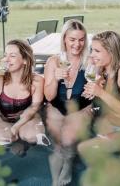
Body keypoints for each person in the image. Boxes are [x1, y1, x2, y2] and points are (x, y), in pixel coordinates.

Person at [44, 19, 92, 186]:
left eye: (81, 39)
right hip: (57, 105)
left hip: (81, 106)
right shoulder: (53, 62)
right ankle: (55, 181)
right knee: (58, 144)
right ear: (64, 38)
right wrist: (55, 79)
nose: (77, 44)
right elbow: (49, 97)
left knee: (69, 140)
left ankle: (69, 162)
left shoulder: (90, 62)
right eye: (72, 39)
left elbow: (95, 90)